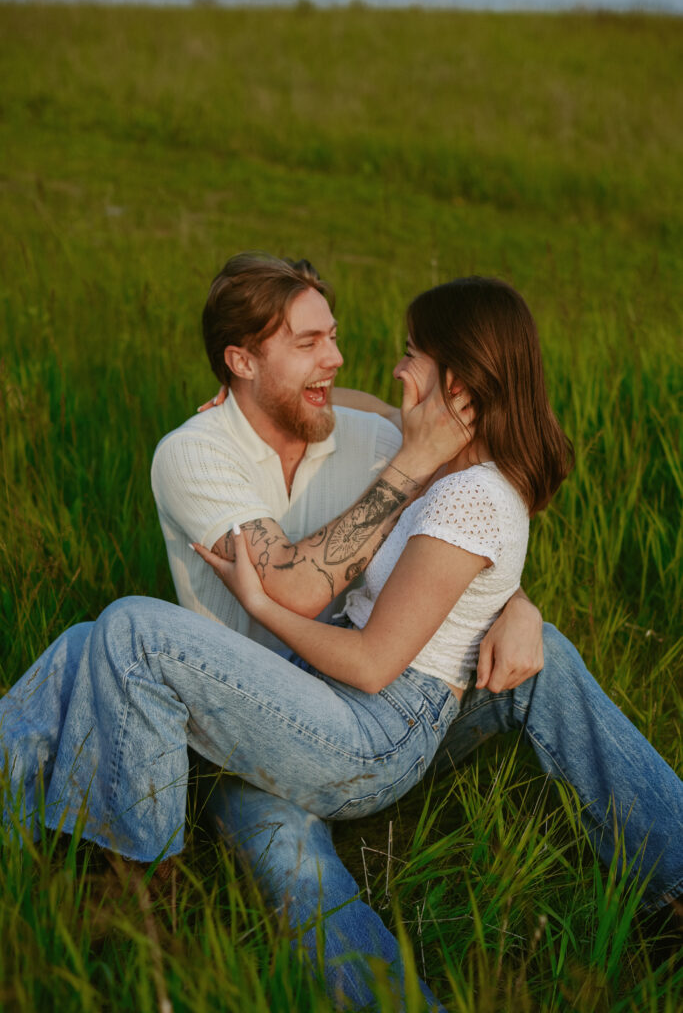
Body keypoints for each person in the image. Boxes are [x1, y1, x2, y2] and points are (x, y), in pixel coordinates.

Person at [2, 258, 681, 1010]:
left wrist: (515, 603)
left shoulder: (384, 445)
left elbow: (450, 515)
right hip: (248, 714)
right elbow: (332, 564)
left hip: (364, 708)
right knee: (287, 859)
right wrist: (409, 463)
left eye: (342, 340)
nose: (344, 361)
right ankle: (160, 922)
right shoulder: (197, 453)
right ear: (242, 362)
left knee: (543, 653)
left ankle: (677, 885)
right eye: (308, 343)